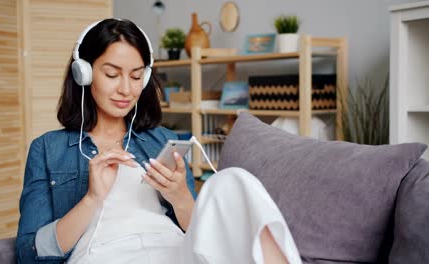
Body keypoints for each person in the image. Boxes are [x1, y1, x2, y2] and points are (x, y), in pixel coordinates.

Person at [16, 18, 302, 264]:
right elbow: (29, 254)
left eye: (137, 76)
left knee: (234, 180)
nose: (126, 89)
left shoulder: (162, 140)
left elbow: (200, 232)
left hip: (175, 250)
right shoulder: (48, 149)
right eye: (112, 74)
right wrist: (92, 199)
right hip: (105, 255)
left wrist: (181, 198)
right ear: (85, 74)